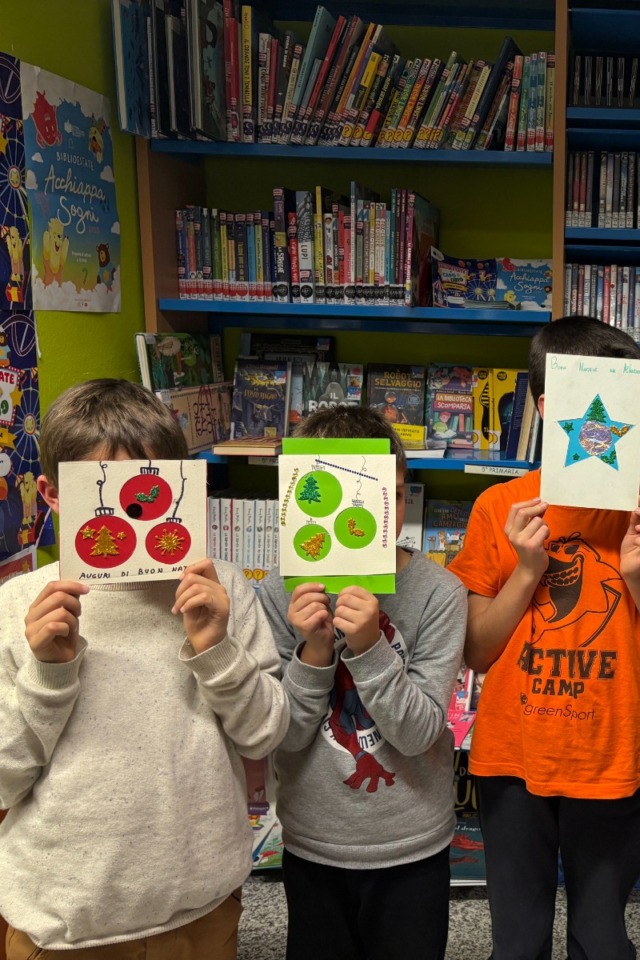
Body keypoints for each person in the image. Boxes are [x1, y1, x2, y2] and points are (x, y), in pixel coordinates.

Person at [447, 316, 640, 960]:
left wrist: (639, 576)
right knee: (517, 937)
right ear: (546, 406)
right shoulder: (500, 509)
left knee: (601, 936)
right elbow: (476, 650)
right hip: (514, 759)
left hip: (614, 759)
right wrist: (527, 570)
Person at [0, 378, 288, 959]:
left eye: (153, 488)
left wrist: (215, 648)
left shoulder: (223, 589)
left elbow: (265, 733)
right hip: (66, 919)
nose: (133, 512)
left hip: (200, 905)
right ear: (53, 495)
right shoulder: (17, 607)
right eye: (104, 491)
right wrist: (48, 676)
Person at [258, 406, 467, 960]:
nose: (384, 512)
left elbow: (421, 731)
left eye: (394, 494)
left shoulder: (438, 592)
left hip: (412, 843)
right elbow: (287, 734)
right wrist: (317, 649)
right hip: (314, 841)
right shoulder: (279, 591)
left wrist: (372, 646)